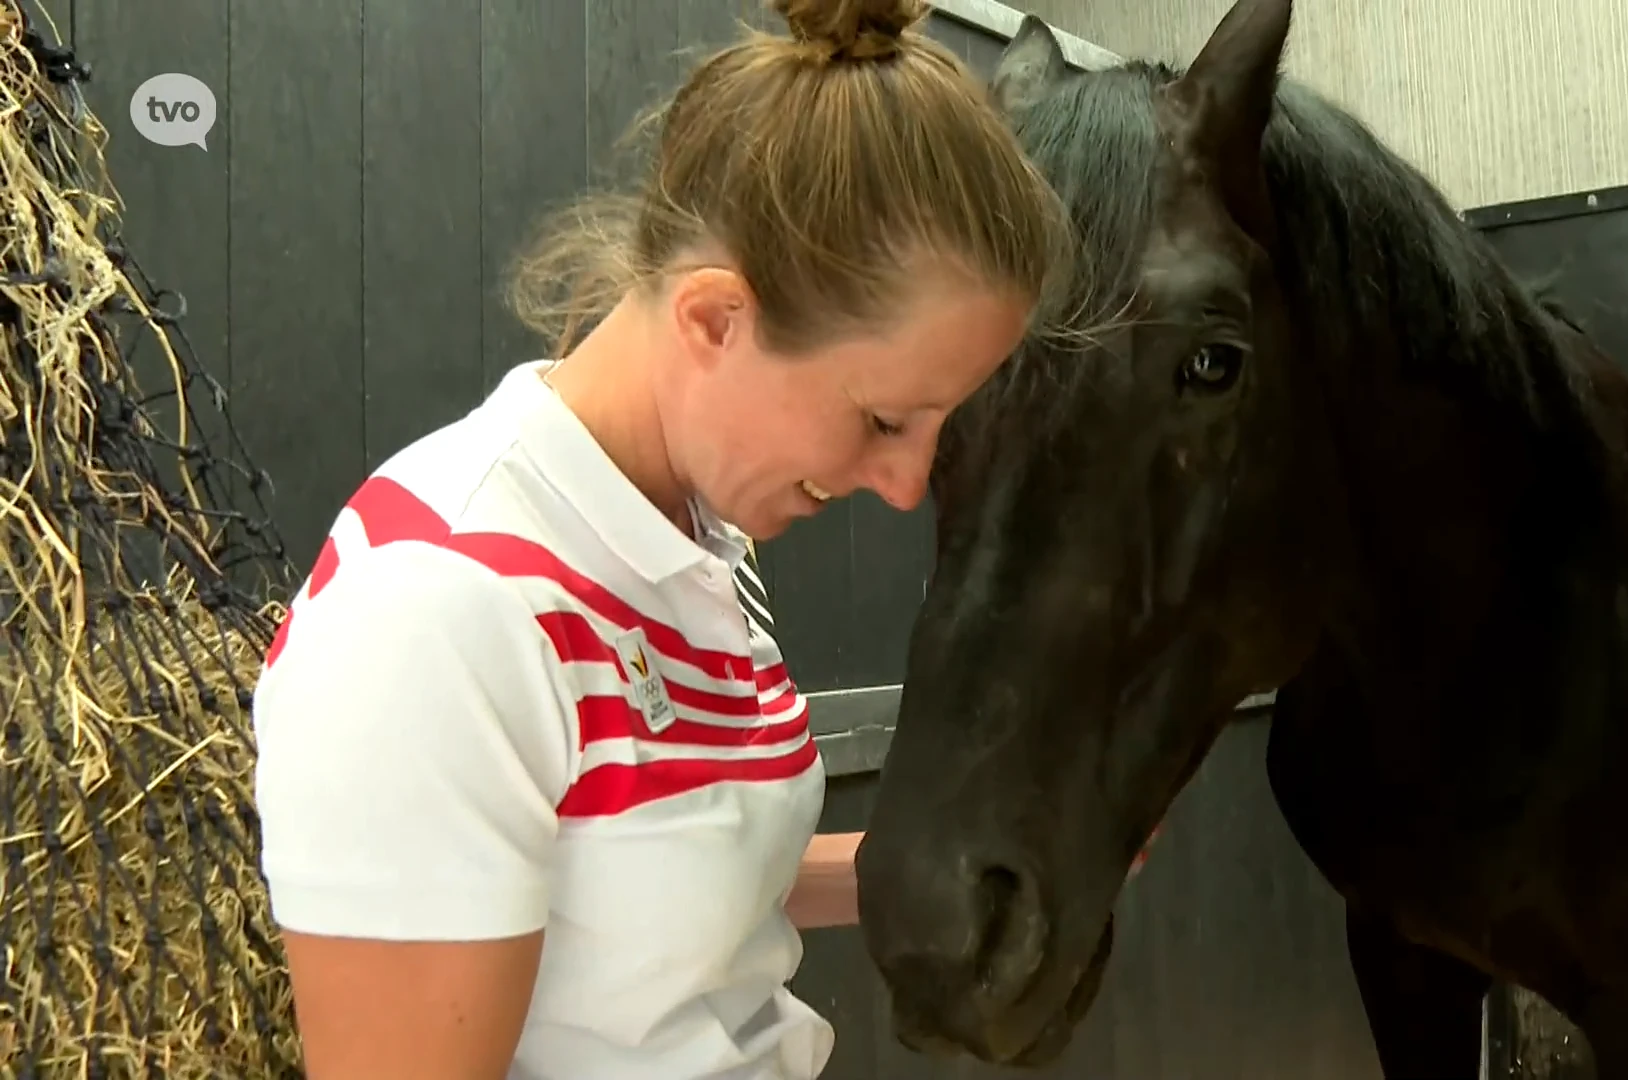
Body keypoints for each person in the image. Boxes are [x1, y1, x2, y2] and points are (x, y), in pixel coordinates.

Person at [247, 0, 1072, 1076]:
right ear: (715, 320)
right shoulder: (439, 610)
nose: (908, 485)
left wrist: (939, 871)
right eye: (881, 419)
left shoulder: (693, 539)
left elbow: (655, 886)